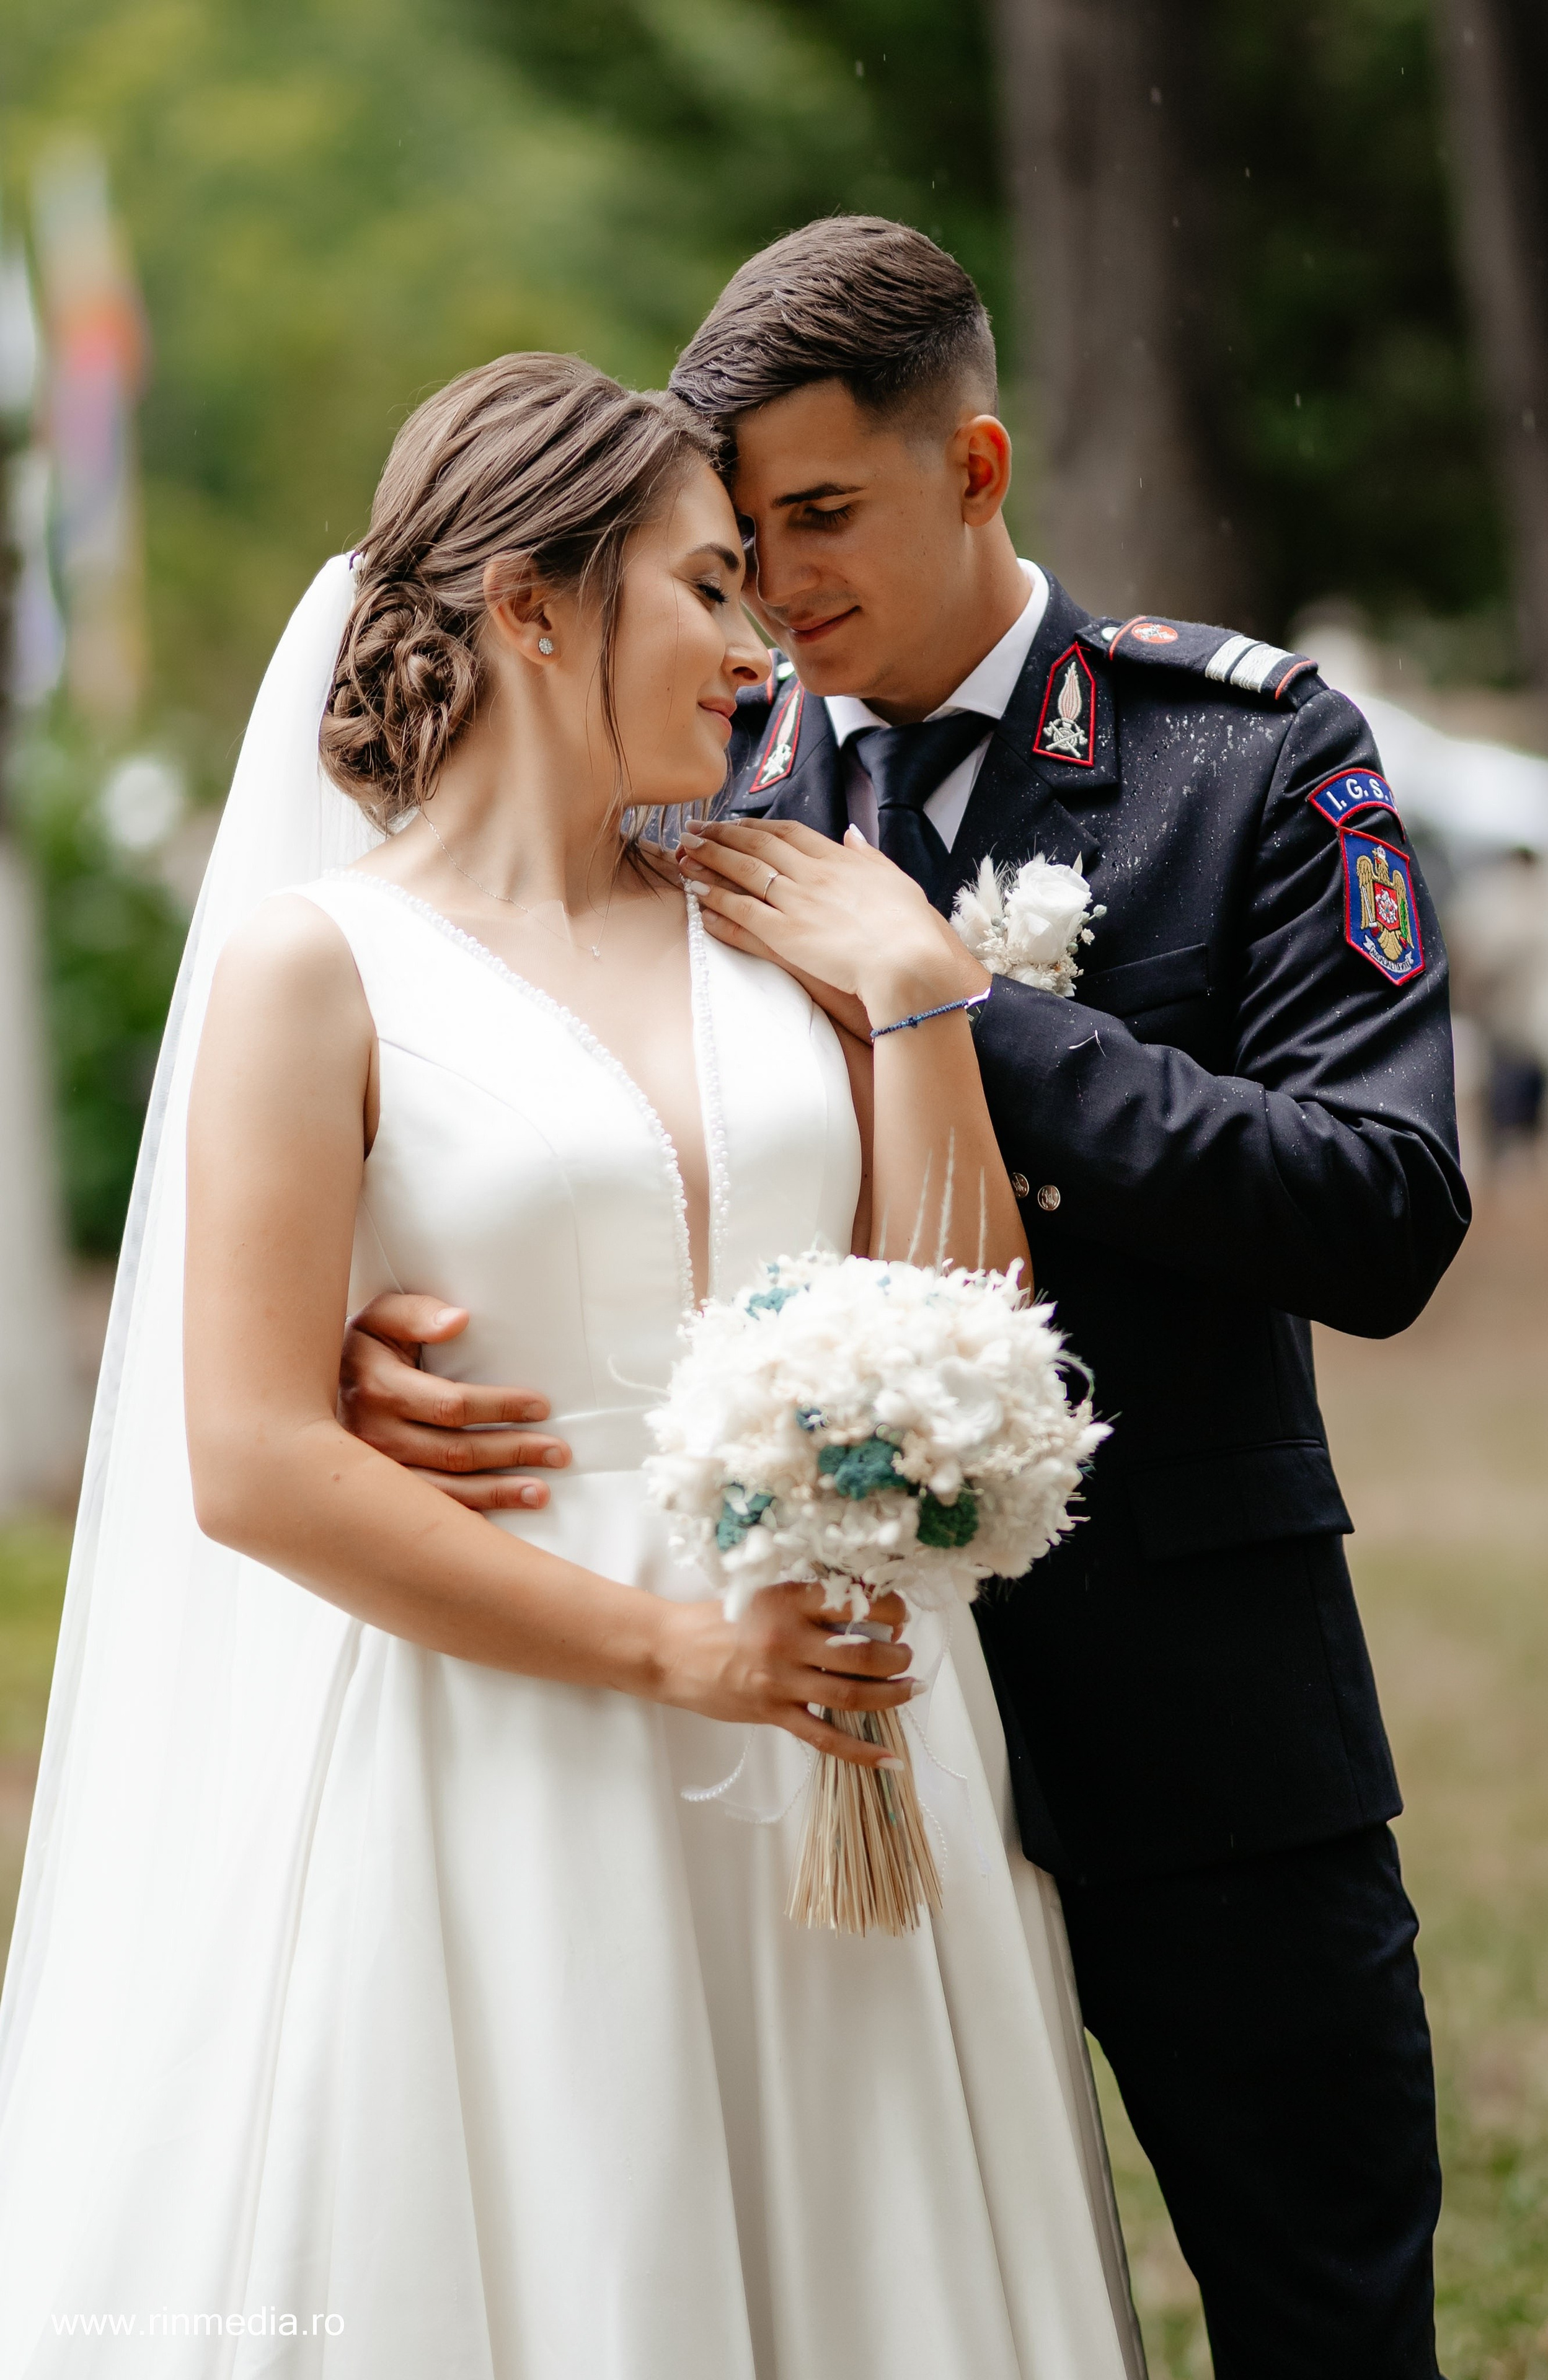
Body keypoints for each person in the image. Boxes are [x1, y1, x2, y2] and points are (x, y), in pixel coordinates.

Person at [342, 223, 1470, 2378]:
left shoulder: (1239, 754)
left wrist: (966, 1007)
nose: (776, 590)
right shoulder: (688, 790)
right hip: (820, 1733)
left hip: (1196, 1722)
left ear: (977, 464)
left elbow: (1384, 1213)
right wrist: (388, 1325)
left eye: (826, 516)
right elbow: (532, 1107)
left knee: (1326, 2315)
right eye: (741, 540)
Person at [0, 353, 1142, 2378]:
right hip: (508, 1751)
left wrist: (917, 998)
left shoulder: (776, 919)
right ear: (533, 606)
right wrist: (683, 1654)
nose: (759, 650)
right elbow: (252, 1459)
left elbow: (977, 1328)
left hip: (852, 1730)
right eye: (706, 586)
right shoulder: (316, 968)